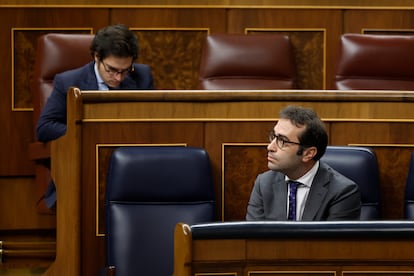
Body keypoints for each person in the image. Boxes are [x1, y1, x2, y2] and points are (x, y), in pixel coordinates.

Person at [36, 24, 154, 209]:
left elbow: (152, 125)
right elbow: (44, 127)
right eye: (112, 70)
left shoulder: (142, 76)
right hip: (85, 168)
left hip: (132, 168)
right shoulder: (68, 81)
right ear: (97, 57)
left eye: (125, 70)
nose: (118, 78)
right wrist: (92, 133)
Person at [246, 105, 361, 221]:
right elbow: (253, 237)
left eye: (282, 141)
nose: (270, 147)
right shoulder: (264, 183)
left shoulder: (342, 192)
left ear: (308, 154)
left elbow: (332, 239)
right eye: (273, 137)